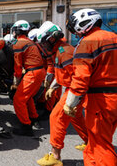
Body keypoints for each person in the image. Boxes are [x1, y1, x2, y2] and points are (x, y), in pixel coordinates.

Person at [65, 8, 117, 166]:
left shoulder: (87, 43)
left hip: (101, 99)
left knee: (101, 144)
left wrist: (70, 103)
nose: (76, 33)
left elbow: (81, 77)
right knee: (96, 141)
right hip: (112, 97)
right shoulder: (114, 37)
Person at [36, 21, 88, 166]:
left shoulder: (64, 52)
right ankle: (89, 141)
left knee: (56, 117)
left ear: (52, 38)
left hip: (74, 90)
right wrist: (53, 86)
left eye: (44, 43)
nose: (44, 46)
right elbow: (63, 73)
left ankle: (55, 156)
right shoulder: (60, 50)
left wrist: (73, 99)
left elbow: (76, 77)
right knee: (76, 118)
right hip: (74, 89)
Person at [11, 20, 46, 136]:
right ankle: (34, 118)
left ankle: (26, 126)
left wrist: (16, 81)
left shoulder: (18, 43)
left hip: (33, 73)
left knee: (18, 99)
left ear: (16, 31)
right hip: (40, 71)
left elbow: (17, 66)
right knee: (28, 96)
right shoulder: (30, 42)